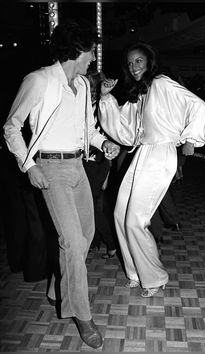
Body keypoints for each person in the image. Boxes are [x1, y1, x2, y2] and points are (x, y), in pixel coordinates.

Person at [3, 19, 120, 349]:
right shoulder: (38, 80)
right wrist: (28, 165)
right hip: (49, 168)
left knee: (86, 236)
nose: (94, 56)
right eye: (91, 50)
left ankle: (58, 286)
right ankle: (81, 314)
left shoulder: (83, 85)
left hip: (77, 167)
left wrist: (103, 143)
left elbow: (89, 130)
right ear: (78, 49)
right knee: (70, 240)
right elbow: (12, 126)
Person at [98, 42, 205, 298]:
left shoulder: (161, 82)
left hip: (161, 154)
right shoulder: (140, 93)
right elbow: (124, 129)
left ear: (149, 61)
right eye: (130, 62)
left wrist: (191, 138)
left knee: (136, 219)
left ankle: (155, 277)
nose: (134, 66)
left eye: (138, 61)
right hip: (143, 153)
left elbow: (196, 103)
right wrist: (105, 98)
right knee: (119, 213)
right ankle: (136, 271)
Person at [83, 70, 117, 258]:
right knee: (91, 204)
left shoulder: (99, 107)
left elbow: (107, 136)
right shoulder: (90, 105)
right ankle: (97, 242)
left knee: (90, 205)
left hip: (95, 161)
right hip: (94, 161)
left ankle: (110, 243)